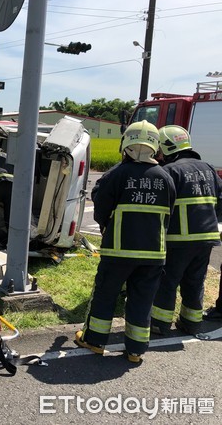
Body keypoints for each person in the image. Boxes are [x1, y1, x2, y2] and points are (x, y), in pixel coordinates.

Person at [74, 120, 176, 363]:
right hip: (153, 254)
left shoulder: (117, 174)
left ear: (126, 144)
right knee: (142, 300)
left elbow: (100, 209)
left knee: (106, 294)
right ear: (155, 147)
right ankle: (135, 350)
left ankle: (95, 340)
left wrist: (107, 224)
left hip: (118, 251)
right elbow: (167, 215)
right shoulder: (165, 177)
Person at [150, 126, 222, 335]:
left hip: (179, 239)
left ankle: (159, 324)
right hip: (207, 237)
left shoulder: (170, 171)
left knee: (167, 281)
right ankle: (191, 323)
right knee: (195, 281)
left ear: (167, 147)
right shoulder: (208, 167)